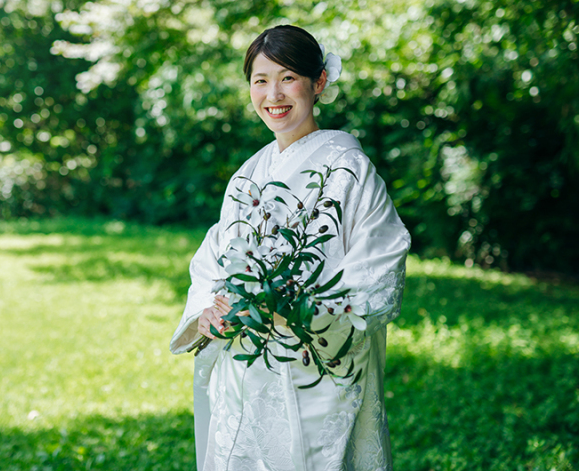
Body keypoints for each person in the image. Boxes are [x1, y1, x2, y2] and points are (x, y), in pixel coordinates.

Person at [170, 25, 411, 471]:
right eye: (260, 80)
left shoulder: (349, 169)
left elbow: (379, 263)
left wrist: (295, 307)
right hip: (245, 363)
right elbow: (214, 258)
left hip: (317, 362)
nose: (273, 94)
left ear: (318, 83)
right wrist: (208, 310)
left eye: (287, 78)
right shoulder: (248, 174)